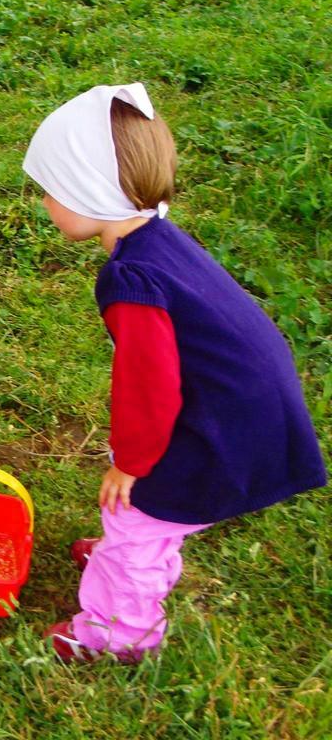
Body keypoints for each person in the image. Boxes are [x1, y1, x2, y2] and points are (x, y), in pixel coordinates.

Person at [22, 83, 327, 663]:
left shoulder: (133, 283)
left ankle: (120, 633)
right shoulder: (158, 241)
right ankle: (130, 556)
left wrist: (129, 464)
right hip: (240, 406)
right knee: (147, 516)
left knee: (137, 512)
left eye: (50, 190)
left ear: (89, 192)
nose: (44, 204)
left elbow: (149, 387)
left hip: (223, 428)